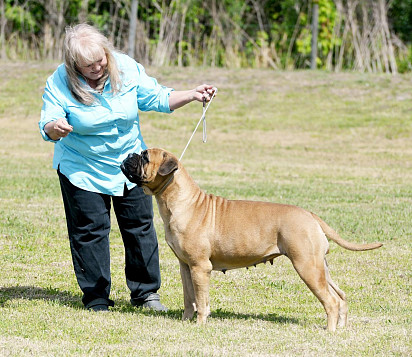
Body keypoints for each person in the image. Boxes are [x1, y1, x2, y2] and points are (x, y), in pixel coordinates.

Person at [39, 23, 216, 312]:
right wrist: (56, 127)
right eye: (88, 65)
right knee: (89, 231)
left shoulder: (126, 68)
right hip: (83, 167)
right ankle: (96, 297)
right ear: (74, 65)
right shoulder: (59, 81)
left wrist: (193, 94)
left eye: (100, 60)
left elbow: (157, 98)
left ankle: (146, 294)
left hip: (131, 164)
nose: (97, 68)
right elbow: (47, 122)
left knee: (140, 227)